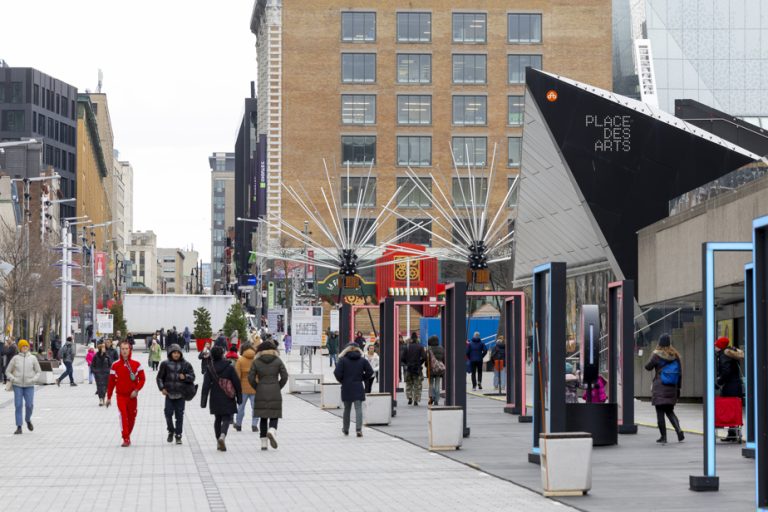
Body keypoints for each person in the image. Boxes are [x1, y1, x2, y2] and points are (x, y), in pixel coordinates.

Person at [644, 333, 684, 444]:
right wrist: (678, 389)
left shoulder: (657, 355)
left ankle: (663, 437)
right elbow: (680, 374)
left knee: (660, 412)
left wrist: (652, 354)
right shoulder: (675, 355)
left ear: (659, 343)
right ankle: (679, 430)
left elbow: (648, 367)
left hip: (660, 386)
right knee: (670, 411)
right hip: (672, 387)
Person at [248, 340, 288, 451]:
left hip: (261, 390)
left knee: (263, 417)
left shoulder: (256, 362)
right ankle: (272, 429)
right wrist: (278, 386)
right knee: (274, 414)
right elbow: (284, 376)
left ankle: (264, 444)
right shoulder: (278, 361)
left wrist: (257, 387)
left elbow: (250, 378)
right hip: (274, 389)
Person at [200, 346, 241, 451]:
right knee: (227, 418)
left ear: (212, 355)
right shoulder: (229, 367)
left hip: (215, 396)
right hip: (228, 396)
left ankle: (218, 440)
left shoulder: (210, 368)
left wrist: (203, 402)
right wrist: (239, 398)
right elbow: (237, 383)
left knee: (217, 419)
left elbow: (205, 386)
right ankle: (223, 435)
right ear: (223, 354)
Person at [107, 341, 147, 447]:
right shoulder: (115, 365)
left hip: (132, 396)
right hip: (121, 396)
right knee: (123, 416)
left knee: (132, 417)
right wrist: (109, 397)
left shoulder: (137, 364)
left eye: (126, 349)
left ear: (130, 350)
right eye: (122, 349)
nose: (124, 351)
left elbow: (142, 379)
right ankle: (126, 438)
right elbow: (111, 383)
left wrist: (137, 390)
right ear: (120, 350)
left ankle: (127, 435)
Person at [157, 343, 196, 445]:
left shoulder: (186, 364)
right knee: (168, 414)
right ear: (170, 353)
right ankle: (171, 430)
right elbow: (159, 377)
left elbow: (193, 376)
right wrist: (162, 388)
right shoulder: (165, 364)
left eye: (178, 352)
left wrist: (186, 377)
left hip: (181, 394)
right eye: (174, 352)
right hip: (169, 394)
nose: (176, 354)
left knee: (179, 416)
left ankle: (178, 435)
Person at [335, 342, 373, 437]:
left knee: (347, 409)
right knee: (358, 408)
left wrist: (342, 380)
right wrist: (362, 378)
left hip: (346, 387)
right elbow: (370, 371)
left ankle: (346, 429)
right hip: (358, 386)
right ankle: (358, 430)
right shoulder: (362, 360)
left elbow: (337, 373)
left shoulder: (342, 360)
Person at [5, 340, 41, 435]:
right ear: (20, 348)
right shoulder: (15, 358)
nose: (25, 347)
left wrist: (34, 380)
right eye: (23, 346)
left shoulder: (33, 358)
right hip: (18, 385)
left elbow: (38, 371)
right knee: (18, 405)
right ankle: (19, 426)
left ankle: (28, 420)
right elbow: (7, 371)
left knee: (29, 405)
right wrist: (13, 379)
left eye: (26, 346)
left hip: (29, 385)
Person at [715, 336, 744, 441]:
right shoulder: (730, 354)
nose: (715, 347)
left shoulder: (724, 356)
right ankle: (732, 434)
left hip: (730, 387)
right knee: (733, 409)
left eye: (716, 345)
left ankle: (732, 434)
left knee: (729, 408)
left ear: (720, 346)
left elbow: (726, 372)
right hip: (735, 386)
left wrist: (718, 382)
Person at [234, 343, 259, 432]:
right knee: (255, 408)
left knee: (241, 407)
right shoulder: (256, 360)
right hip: (255, 387)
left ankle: (238, 425)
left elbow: (237, 376)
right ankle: (254, 425)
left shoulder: (240, 360)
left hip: (243, 388)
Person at [402, 332, 426, 406]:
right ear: (417, 339)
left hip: (409, 368)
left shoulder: (407, 347)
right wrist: (420, 362)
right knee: (417, 384)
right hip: (417, 368)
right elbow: (425, 357)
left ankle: (409, 398)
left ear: (411, 339)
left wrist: (407, 363)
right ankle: (416, 400)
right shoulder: (420, 347)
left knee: (409, 384)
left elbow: (402, 358)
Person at [427, 335, 444, 406]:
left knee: (431, 384)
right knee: (437, 384)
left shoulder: (429, 349)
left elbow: (426, 358)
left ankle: (431, 399)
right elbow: (444, 358)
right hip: (438, 369)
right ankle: (436, 400)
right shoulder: (441, 348)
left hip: (431, 369)